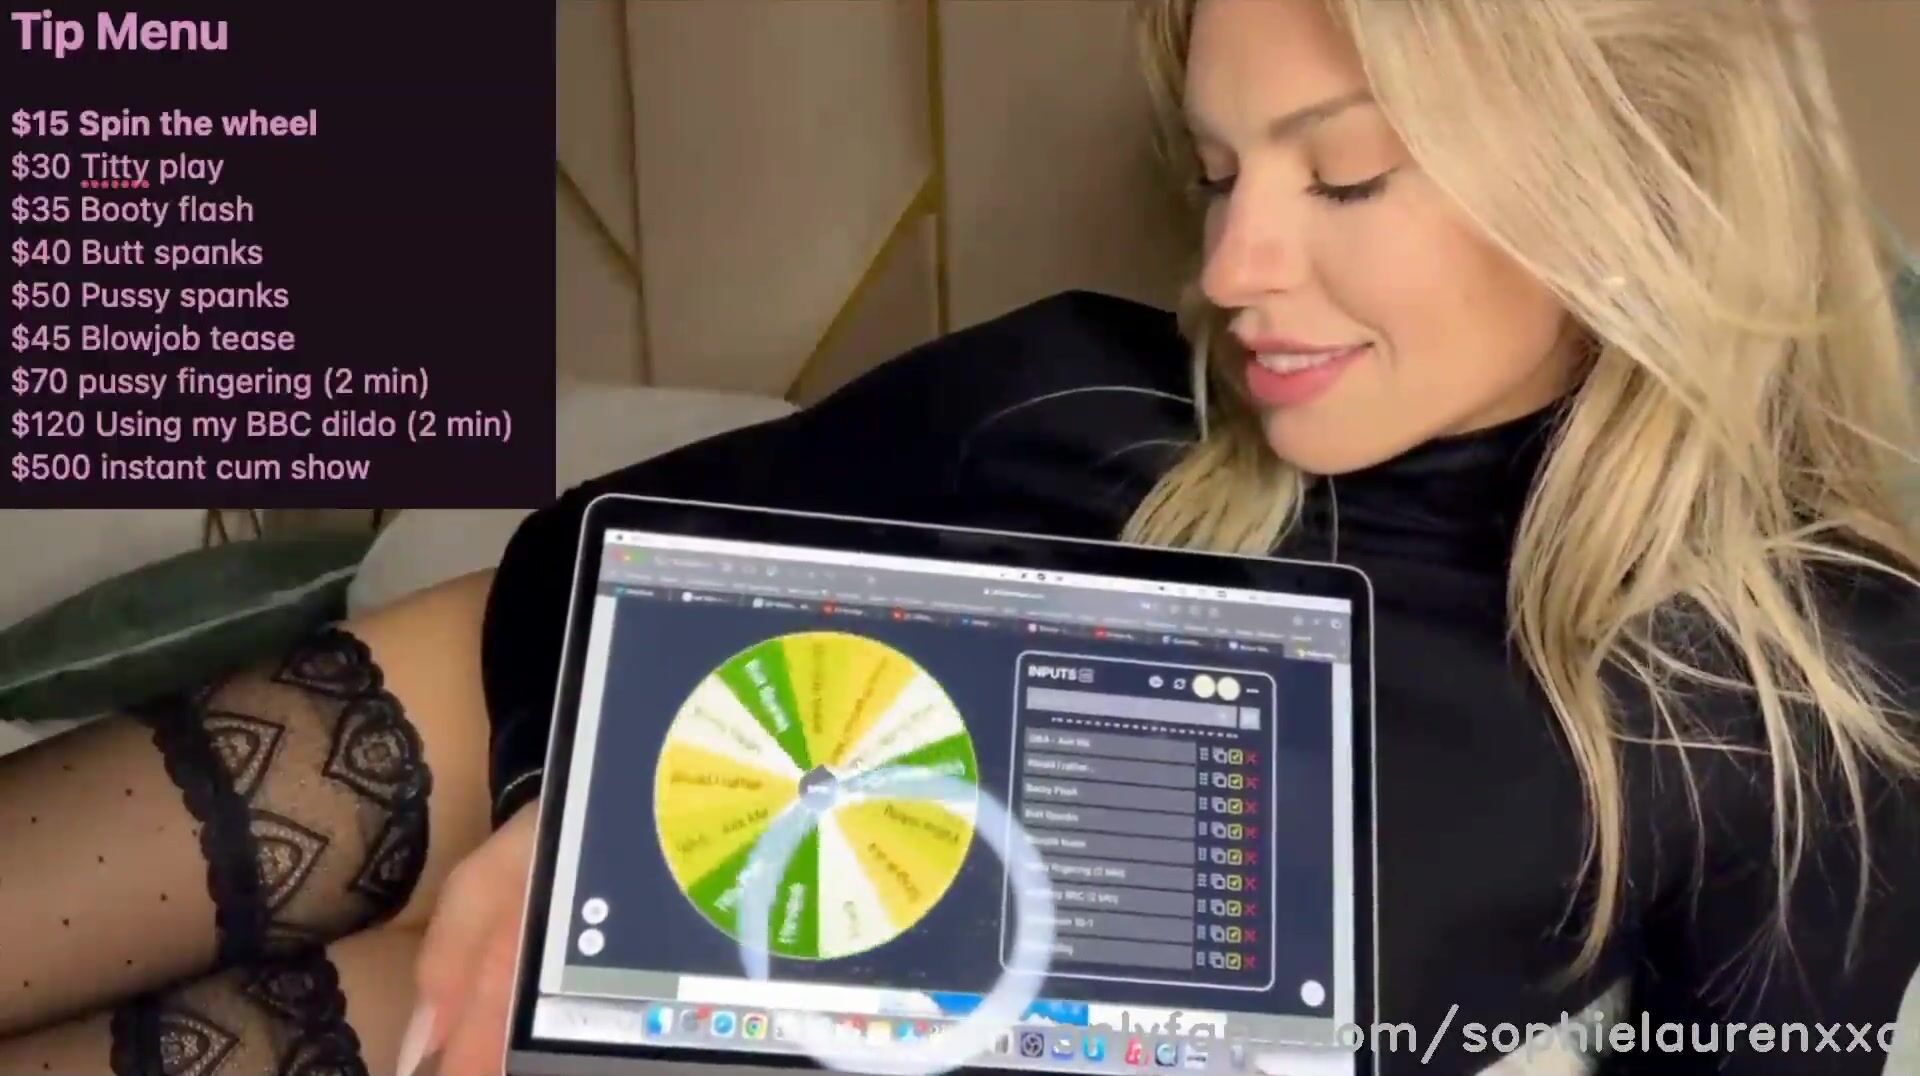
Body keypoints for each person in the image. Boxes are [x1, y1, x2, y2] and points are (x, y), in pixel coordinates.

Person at [0, 0, 1914, 1073]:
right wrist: (542, 808)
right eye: (1218, 173)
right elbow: (623, 539)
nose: (1235, 266)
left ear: (1633, 171)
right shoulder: (1075, 392)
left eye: (1343, 176)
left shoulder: (1811, 684)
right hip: (525, 741)